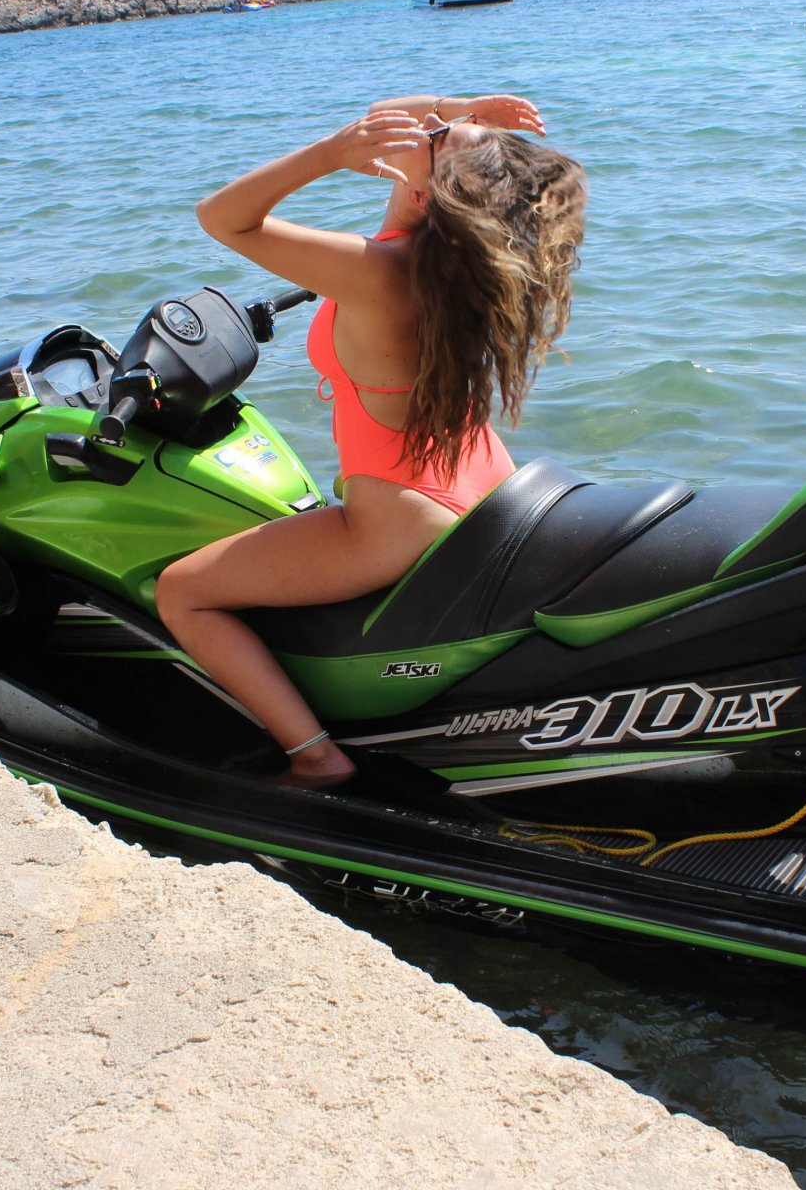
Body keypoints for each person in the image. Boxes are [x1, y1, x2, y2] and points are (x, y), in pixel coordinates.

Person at [158, 94, 587, 787]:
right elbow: (391, 121)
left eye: (440, 135)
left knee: (182, 592)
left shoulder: (378, 271)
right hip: (481, 481)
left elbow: (221, 217)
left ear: (429, 190)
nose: (428, 127)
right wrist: (457, 108)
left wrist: (328, 155)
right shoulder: (453, 262)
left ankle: (315, 757)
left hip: (400, 518)